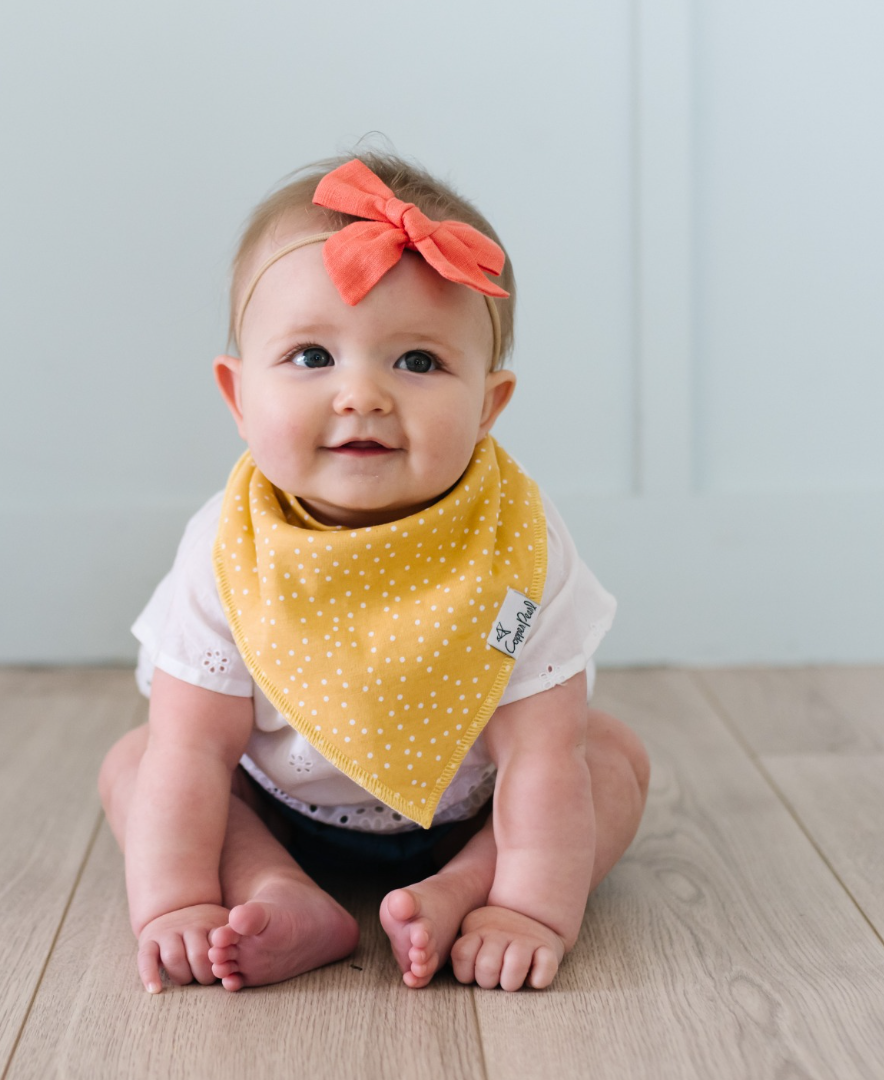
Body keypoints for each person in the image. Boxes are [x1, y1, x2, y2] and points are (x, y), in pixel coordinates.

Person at [98, 151, 650, 994]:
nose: (361, 394)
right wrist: (173, 904)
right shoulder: (228, 548)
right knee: (136, 762)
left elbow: (539, 756)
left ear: (488, 407)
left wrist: (530, 909)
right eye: (313, 357)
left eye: (418, 362)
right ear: (238, 396)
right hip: (279, 812)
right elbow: (192, 751)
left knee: (608, 757)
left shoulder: (518, 545)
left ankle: (465, 893)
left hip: (470, 814)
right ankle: (273, 890)